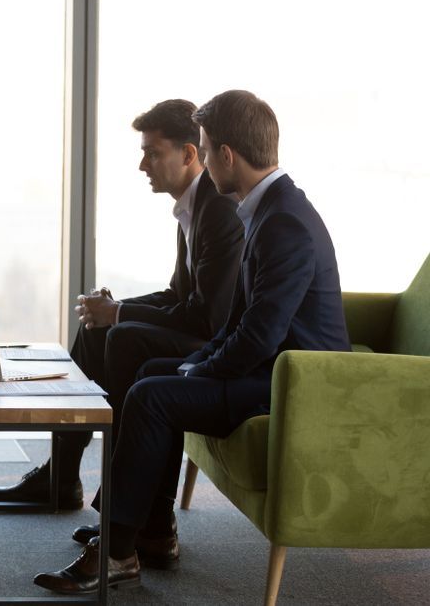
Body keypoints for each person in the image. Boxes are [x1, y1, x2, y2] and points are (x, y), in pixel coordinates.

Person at [34, 90, 352, 593]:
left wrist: (200, 369)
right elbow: (239, 323)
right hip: (268, 367)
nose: (201, 160)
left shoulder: (282, 222)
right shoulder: (267, 210)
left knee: (151, 394)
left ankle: (117, 552)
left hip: (293, 384)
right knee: (150, 375)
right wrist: (194, 362)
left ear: (225, 155)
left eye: (203, 149)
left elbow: (258, 336)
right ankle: (139, 534)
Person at [0, 99, 243, 519]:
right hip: (200, 327)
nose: (144, 165)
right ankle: (62, 475)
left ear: (189, 154)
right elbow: (179, 295)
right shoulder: (194, 208)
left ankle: (127, 505)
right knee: (95, 328)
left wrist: (120, 314)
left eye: (153, 153)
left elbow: (207, 316)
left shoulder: (219, 210)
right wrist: (111, 307)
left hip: (216, 345)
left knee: (122, 334)